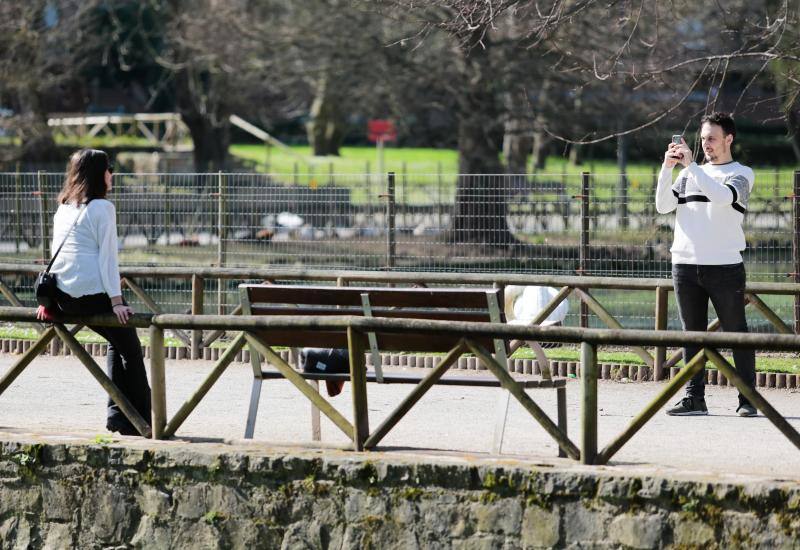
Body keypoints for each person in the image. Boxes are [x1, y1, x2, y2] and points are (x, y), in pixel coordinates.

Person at [36, 149, 152, 435]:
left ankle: (117, 416)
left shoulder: (63, 207)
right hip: (93, 297)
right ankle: (143, 421)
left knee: (116, 343)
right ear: (99, 174)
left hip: (64, 299)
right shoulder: (102, 208)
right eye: (108, 168)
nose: (112, 174)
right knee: (132, 350)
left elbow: (58, 256)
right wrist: (116, 302)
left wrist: (49, 302)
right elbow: (107, 259)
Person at [656, 112, 757, 417]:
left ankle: (748, 399)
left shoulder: (742, 173)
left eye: (712, 138)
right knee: (692, 334)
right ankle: (694, 397)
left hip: (724, 266)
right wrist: (667, 169)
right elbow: (663, 207)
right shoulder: (688, 174)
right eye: (702, 139)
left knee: (736, 333)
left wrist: (691, 167)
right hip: (685, 264)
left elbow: (723, 198)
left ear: (729, 138)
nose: (706, 145)